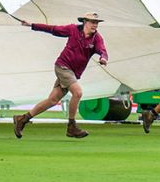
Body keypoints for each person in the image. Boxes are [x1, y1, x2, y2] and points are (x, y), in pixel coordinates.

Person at [13, 12, 108, 140]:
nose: (95, 25)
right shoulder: (73, 29)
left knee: (52, 100)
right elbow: (53, 29)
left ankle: (22, 118)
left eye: (97, 23)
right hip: (63, 66)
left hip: (73, 73)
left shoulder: (97, 38)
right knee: (78, 93)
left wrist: (103, 58)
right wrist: (32, 25)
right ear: (85, 22)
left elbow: (103, 50)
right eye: (92, 22)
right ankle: (72, 126)